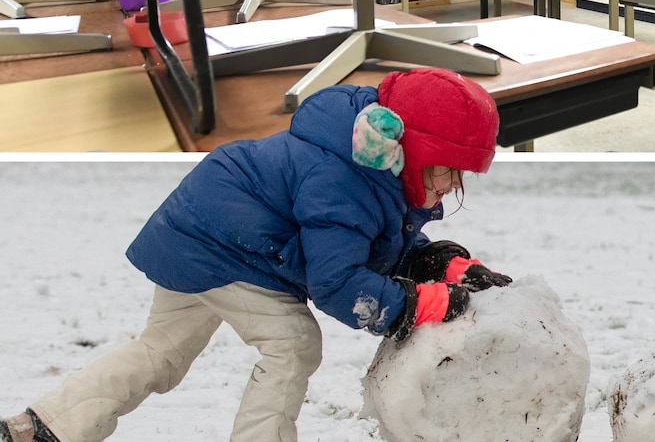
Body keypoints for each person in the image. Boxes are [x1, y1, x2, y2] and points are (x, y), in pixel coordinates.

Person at [0, 68, 512, 442]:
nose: (449, 187)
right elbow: (337, 283)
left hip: (195, 230)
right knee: (292, 343)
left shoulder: (371, 164)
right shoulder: (342, 179)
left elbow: (376, 241)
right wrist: (416, 305)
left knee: (162, 352)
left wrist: (440, 264)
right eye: (445, 169)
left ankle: (43, 426)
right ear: (411, 152)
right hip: (231, 246)